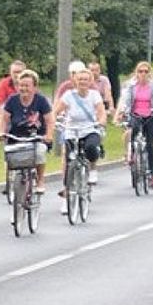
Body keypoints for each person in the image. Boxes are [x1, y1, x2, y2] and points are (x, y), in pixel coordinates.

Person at [52, 68, 107, 213]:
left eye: (85, 79)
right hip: (72, 131)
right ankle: (66, 196)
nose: (83, 82)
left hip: (89, 129)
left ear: (90, 81)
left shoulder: (94, 95)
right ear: (75, 81)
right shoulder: (69, 95)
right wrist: (54, 122)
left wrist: (100, 122)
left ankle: (92, 170)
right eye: (80, 79)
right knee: (68, 162)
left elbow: (101, 112)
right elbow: (55, 111)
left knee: (90, 148)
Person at [0, 69, 54, 193]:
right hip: (16, 136)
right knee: (10, 155)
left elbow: (50, 121)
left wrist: (49, 135)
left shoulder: (41, 100)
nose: (23, 88)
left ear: (35, 87)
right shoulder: (12, 100)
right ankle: (11, 181)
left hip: (37, 137)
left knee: (39, 153)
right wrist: (1, 132)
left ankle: (40, 180)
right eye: (21, 85)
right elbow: (4, 119)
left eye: (27, 86)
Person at [114, 62, 153, 190]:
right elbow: (126, 100)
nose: (143, 74)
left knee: (150, 145)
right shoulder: (131, 85)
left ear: (149, 73)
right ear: (136, 73)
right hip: (136, 114)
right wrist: (122, 112)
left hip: (150, 114)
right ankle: (132, 154)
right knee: (134, 130)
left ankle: (152, 174)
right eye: (140, 71)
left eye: (146, 71)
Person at [0, 60, 26, 132]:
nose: (17, 75)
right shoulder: (4, 83)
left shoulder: (30, 83)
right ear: (10, 72)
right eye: (14, 72)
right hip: (10, 119)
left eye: (19, 72)